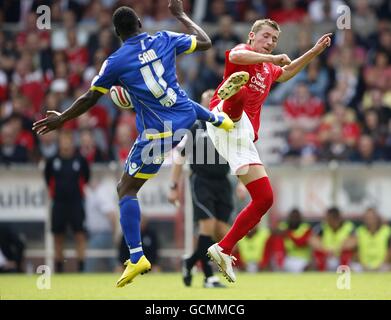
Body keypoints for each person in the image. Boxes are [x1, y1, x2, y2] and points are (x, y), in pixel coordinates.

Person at [33, 0, 233, 287]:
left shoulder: (115, 62)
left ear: (117, 33)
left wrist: (62, 119)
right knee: (177, 96)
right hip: (186, 119)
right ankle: (216, 119)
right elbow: (205, 41)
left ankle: (137, 256)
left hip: (157, 135)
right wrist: (181, 15)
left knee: (126, 189)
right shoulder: (164, 38)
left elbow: (91, 97)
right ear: (140, 23)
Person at [205, 18, 332, 283]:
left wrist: (313, 52)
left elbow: (285, 73)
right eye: (265, 37)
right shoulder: (244, 52)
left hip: (242, 137)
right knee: (238, 91)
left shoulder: (267, 68)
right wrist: (274, 58)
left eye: (274, 39)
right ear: (252, 36)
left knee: (264, 199)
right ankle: (231, 98)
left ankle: (223, 248)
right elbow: (237, 54)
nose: (270, 43)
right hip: (223, 119)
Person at [168, 89, 235, 288]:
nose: (212, 105)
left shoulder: (227, 126)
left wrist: (240, 182)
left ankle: (189, 262)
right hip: (201, 181)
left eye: (215, 100)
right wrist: (173, 186)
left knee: (223, 232)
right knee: (208, 225)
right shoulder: (195, 126)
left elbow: (237, 154)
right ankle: (209, 277)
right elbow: (179, 157)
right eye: (207, 102)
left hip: (222, 181)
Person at [44, 130, 90, 273]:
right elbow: (47, 178)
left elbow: (86, 177)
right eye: (63, 140)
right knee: (58, 236)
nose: (66, 143)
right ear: (59, 142)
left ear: (72, 142)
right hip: (58, 203)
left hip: (76, 202)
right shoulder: (52, 160)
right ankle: (59, 268)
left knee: (80, 235)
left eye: (68, 140)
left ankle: (81, 268)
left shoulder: (80, 159)